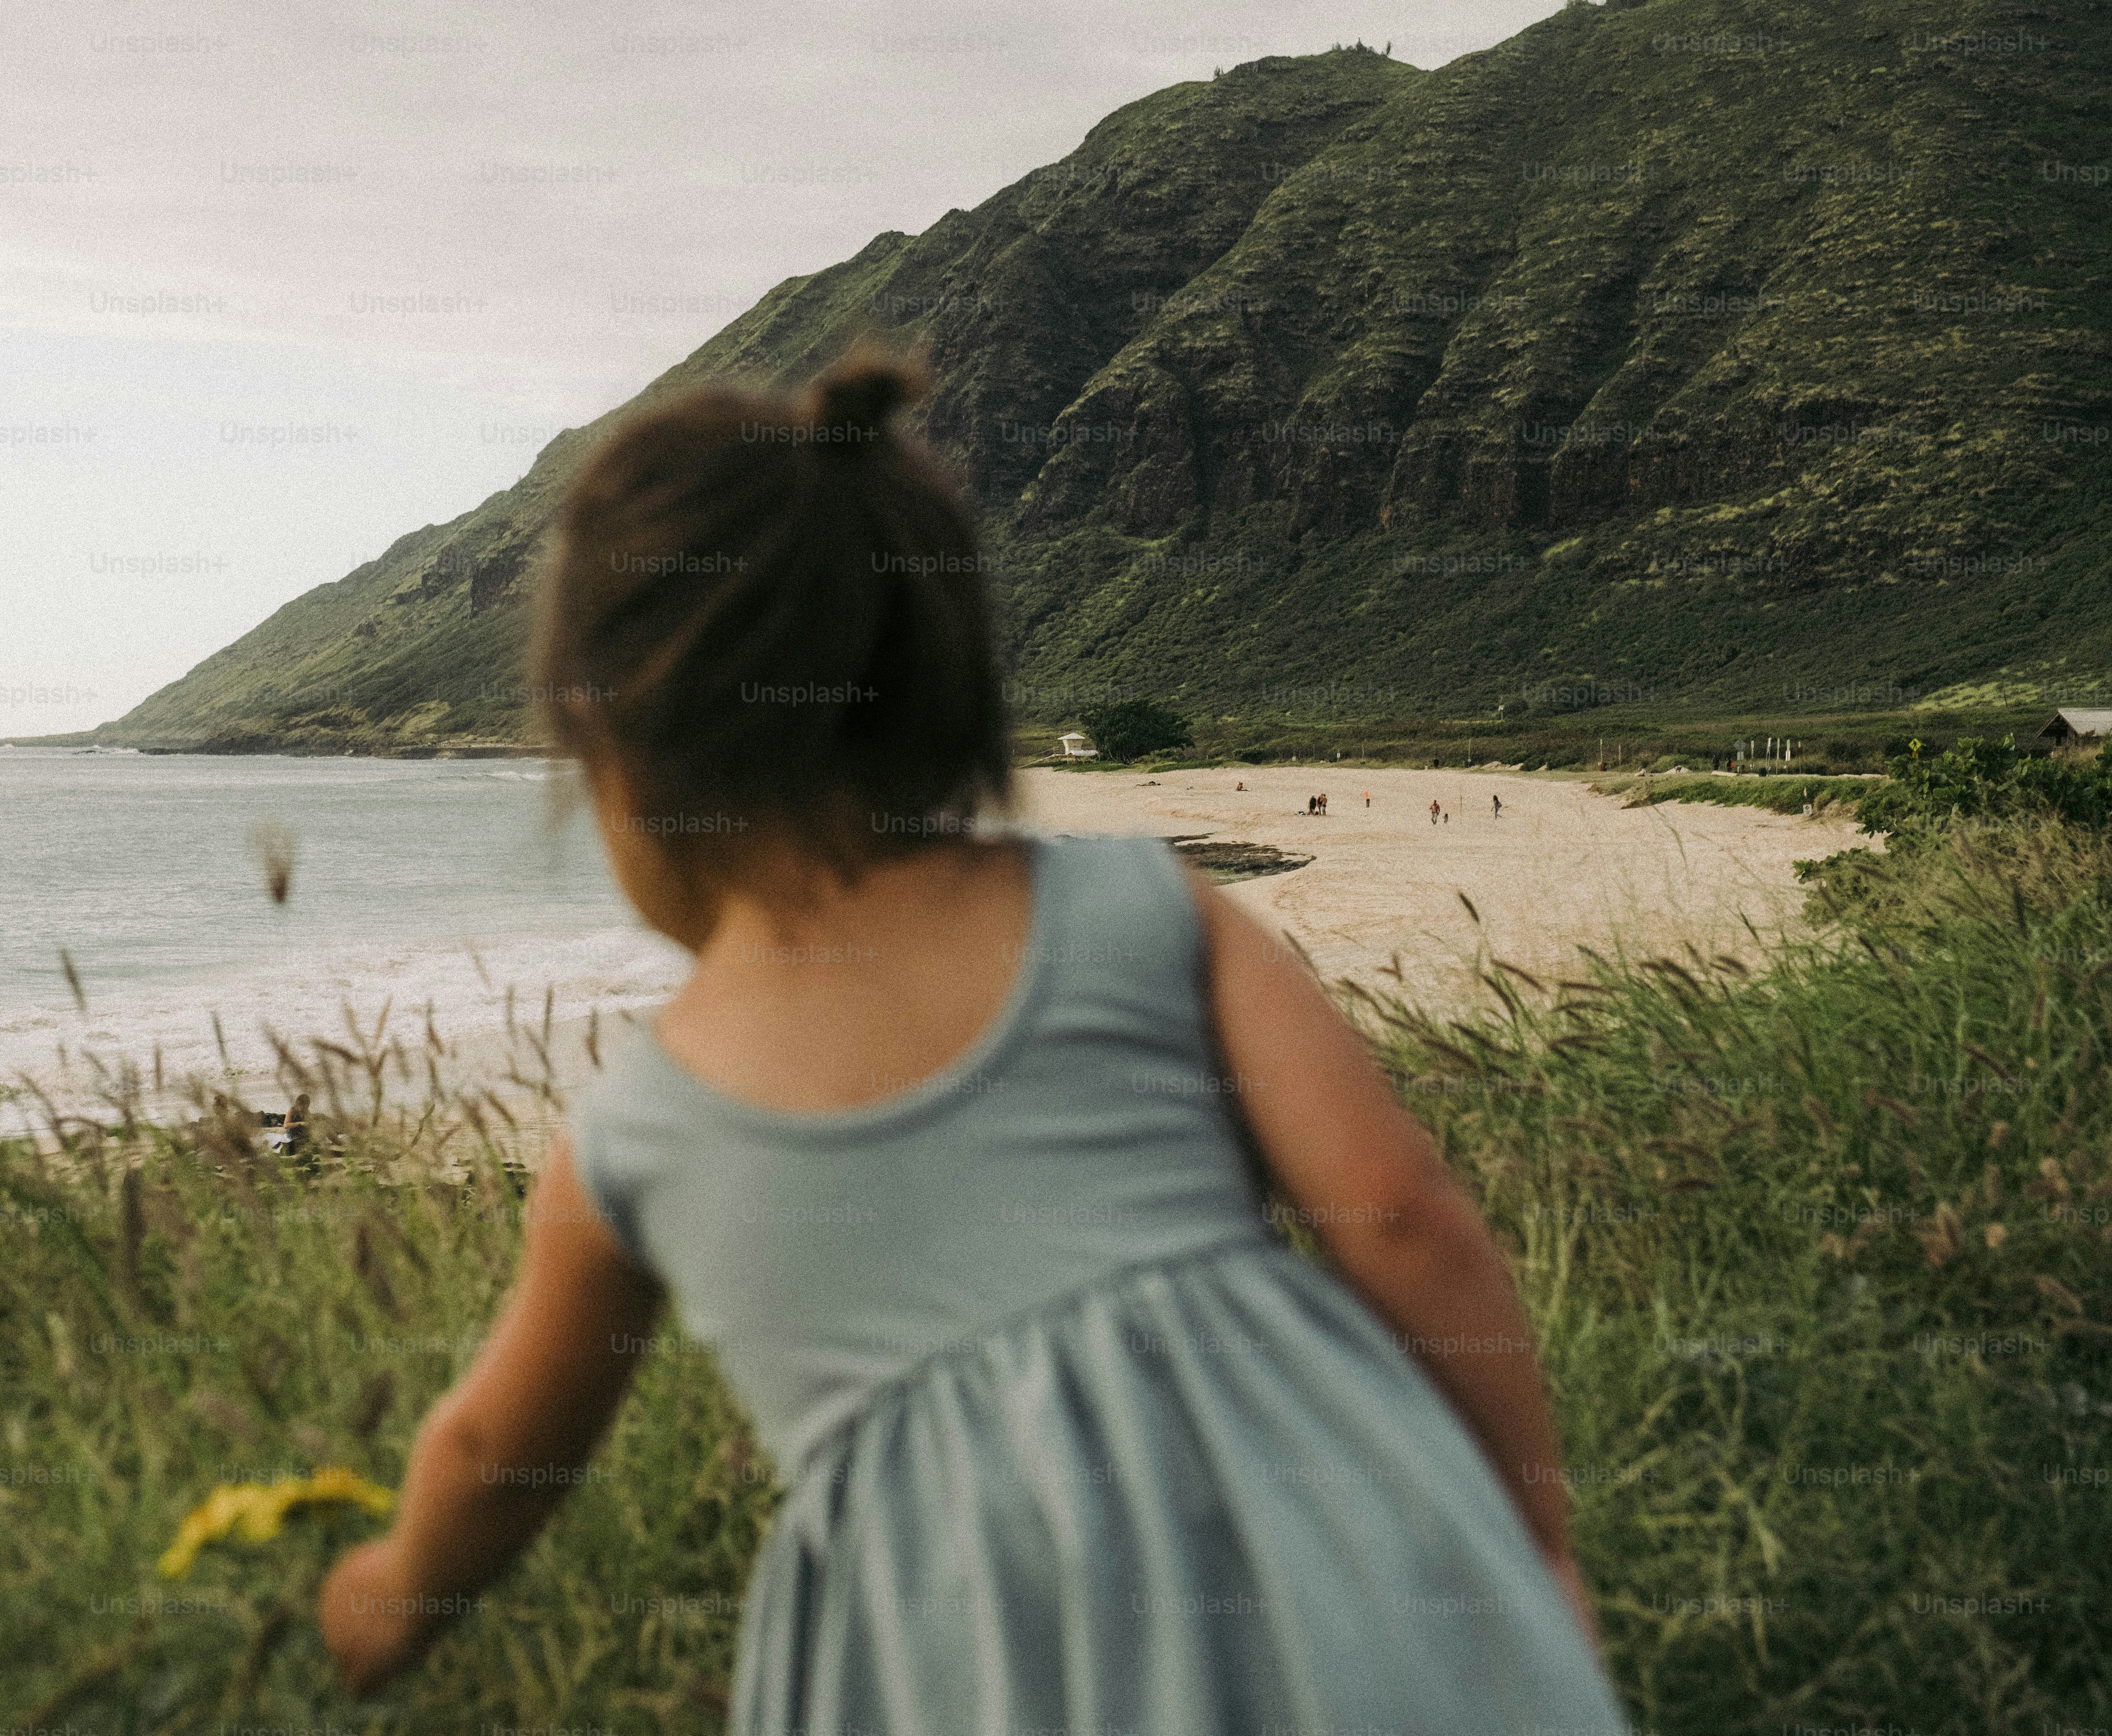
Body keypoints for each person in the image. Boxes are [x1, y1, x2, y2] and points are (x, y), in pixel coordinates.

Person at [316, 347, 1625, 1735]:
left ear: (610, 751)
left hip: (950, 1666)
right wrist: (1533, 1542)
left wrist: (385, 1600)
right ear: (942, 681)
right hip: (1332, 1572)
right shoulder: (1141, 912)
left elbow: (491, 1455)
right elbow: (1406, 1220)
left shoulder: (635, 1138)